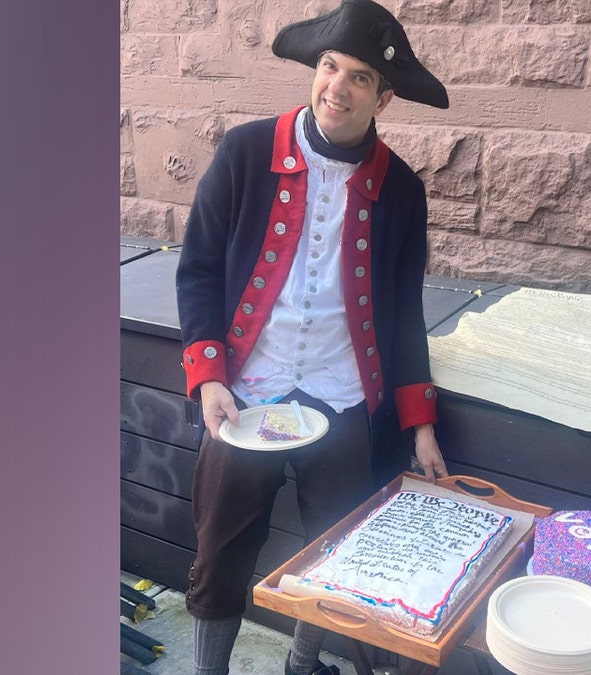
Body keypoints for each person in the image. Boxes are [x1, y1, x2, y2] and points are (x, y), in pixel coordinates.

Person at [174, 2, 450, 673]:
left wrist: (420, 425)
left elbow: (405, 311)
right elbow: (199, 268)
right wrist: (210, 376)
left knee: (338, 550)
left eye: (359, 78)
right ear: (313, 71)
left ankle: (304, 662)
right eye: (329, 67)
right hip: (247, 396)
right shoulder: (244, 153)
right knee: (221, 549)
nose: (338, 87)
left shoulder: (403, 190)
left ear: (384, 98)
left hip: (343, 395)